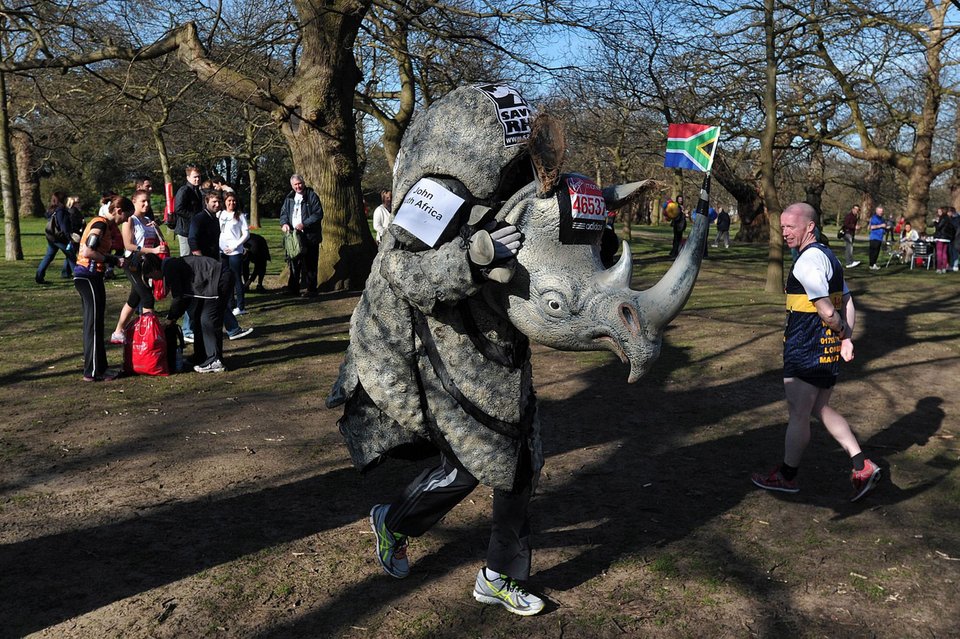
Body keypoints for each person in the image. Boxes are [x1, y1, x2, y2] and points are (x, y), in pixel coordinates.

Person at [751, 202, 880, 502]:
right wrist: (846, 338)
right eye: (782, 227)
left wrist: (838, 330)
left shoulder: (807, 262)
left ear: (809, 227)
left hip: (806, 348)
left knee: (798, 413)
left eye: (790, 227)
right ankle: (862, 466)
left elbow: (828, 311)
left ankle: (786, 476)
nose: (784, 232)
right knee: (818, 409)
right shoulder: (828, 257)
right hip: (826, 351)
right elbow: (847, 301)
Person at [141, 253, 236, 373]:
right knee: (197, 317)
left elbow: (179, 298)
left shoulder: (170, 268)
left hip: (219, 279)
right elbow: (185, 297)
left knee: (207, 319)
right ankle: (201, 355)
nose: (154, 280)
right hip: (210, 282)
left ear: (154, 270)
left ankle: (215, 360)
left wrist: (171, 317)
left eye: (152, 277)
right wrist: (173, 317)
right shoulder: (172, 265)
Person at [73, 196, 131, 381]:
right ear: (118, 210)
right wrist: (113, 260)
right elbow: (88, 252)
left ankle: (100, 368)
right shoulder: (101, 223)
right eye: (126, 216)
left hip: (93, 276)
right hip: (87, 276)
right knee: (93, 325)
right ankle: (92, 371)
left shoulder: (105, 225)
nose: (127, 220)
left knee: (96, 324)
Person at [190, 191, 253, 340]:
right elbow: (192, 240)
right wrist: (200, 260)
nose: (217, 204)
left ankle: (233, 327)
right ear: (206, 202)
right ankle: (189, 330)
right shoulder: (201, 218)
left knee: (216, 295)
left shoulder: (215, 218)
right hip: (204, 264)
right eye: (214, 202)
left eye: (218, 202)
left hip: (215, 260)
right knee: (200, 296)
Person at [110, 190, 168, 344]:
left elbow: (160, 243)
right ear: (134, 201)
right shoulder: (130, 220)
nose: (146, 204)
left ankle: (118, 331)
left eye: (148, 201)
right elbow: (128, 245)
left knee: (134, 298)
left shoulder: (149, 219)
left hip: (147, 263)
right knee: (147, 298)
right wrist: (153, 250)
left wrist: (157, 229)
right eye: (143, 201)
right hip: (133, 263)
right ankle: (150, 337)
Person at [171, 166, 203, 341]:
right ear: (188, 177)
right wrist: (195, 217)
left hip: (192, 231)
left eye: (199, 177)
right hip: (184, 232)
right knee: (187, 267)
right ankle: (186, 327)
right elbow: (179, 209)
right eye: (195, 177)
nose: (197, 179)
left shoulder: (197, 191)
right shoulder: (184, 190)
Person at [279, 173, 324, 297]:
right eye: (295, 185)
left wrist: (304, 224)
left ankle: (311, 290)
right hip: (293, 237)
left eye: (300, 184)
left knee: (310, 264)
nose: (298, 186)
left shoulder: (312, 196)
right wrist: (284, 224)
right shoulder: (288, 198)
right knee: (294, 263)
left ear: (303, 183)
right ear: (292, 186)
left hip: (310, 236)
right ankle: (293, 289)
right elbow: (283, 214)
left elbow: (318, 214)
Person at [36, 192, 77, 284]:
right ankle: (78, 277)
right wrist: (69, 239)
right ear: (63, 200)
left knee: (49, 256)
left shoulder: (52, 210)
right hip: (60, 238)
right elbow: (64, 227)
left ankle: (39, 276)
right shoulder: (61, 211)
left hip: (51, 237)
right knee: (71, 256)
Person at [219, 192, 250, 316]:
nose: (232, 203)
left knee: (236, 277)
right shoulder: (220, 214)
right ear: (225, 202)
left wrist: (235, 246)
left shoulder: (240, 216)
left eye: (234, 201)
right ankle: (230, 304)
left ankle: (240, 306)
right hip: (222, 251)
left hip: (235, 251)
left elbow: (246, 234)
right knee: (226, 278)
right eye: (229, 201)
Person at [933, 207, 955, 274]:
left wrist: (935, 222)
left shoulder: (943, 218)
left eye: (940, 211)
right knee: (944, 253)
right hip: (947, 238)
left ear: (943, 211)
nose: (938, 213)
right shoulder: (949, 218)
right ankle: (944, 268)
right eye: (938, 211)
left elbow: (939, 227)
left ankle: (939, 268)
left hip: (941, 237)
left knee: (939, 253)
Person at [867, 205, 886, 270]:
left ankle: (873, 264)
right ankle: (872, 264)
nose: (881, 212)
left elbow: (883, 226)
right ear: (876, 211)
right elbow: (872, 227)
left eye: (882, 211)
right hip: (874, 237)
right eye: (879, 211)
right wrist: (881, 225)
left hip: (880, 238)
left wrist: (885, 228)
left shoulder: (882, 219)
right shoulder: (874, 218)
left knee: (877, 251)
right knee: (873, 251)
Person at [668, 194, 687, 258]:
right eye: (679, 199)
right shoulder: (676, 206)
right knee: (676, 239)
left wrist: (684, 213)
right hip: (677, 224)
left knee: (679, 239)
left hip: (681, 225)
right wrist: (682, 212)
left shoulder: (682, 206)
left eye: (681, 199)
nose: (680, 200)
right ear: (677, 200)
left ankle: (676, 251)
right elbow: (676, 215)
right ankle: (674, 252)